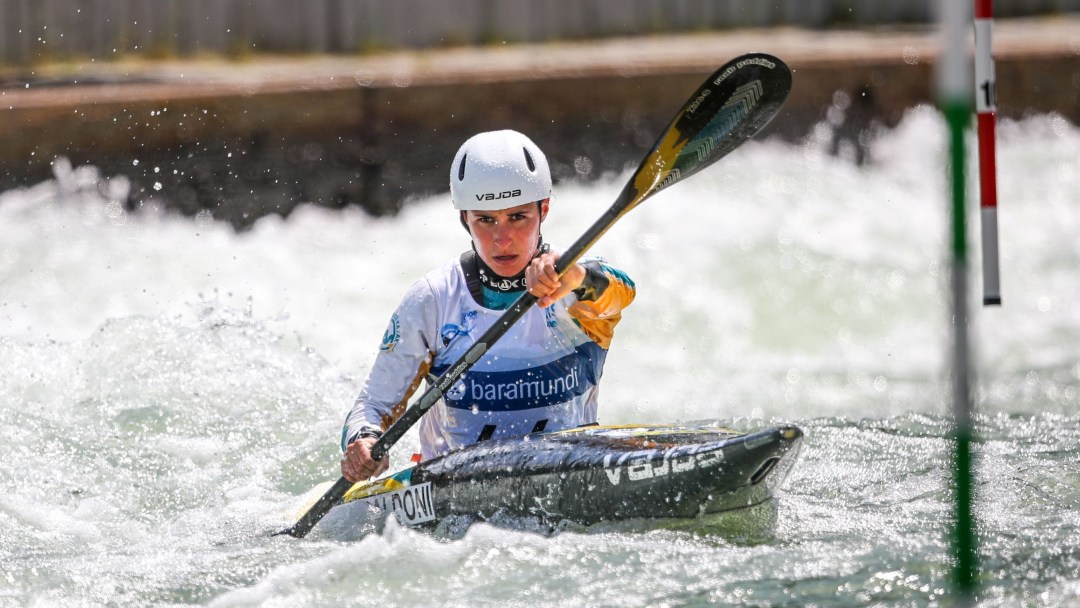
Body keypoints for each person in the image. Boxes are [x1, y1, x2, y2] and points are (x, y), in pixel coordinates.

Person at [339, 129, 635, 482]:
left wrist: (573, 278)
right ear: (465, 218)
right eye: (486, 220)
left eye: (518, 217)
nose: (502, 238)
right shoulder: (433, 299)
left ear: (544, 209)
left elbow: (622, 291)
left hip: (569, 476)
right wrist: (363, 440)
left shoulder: (577, 286)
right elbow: (373, 406)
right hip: (452, 495)